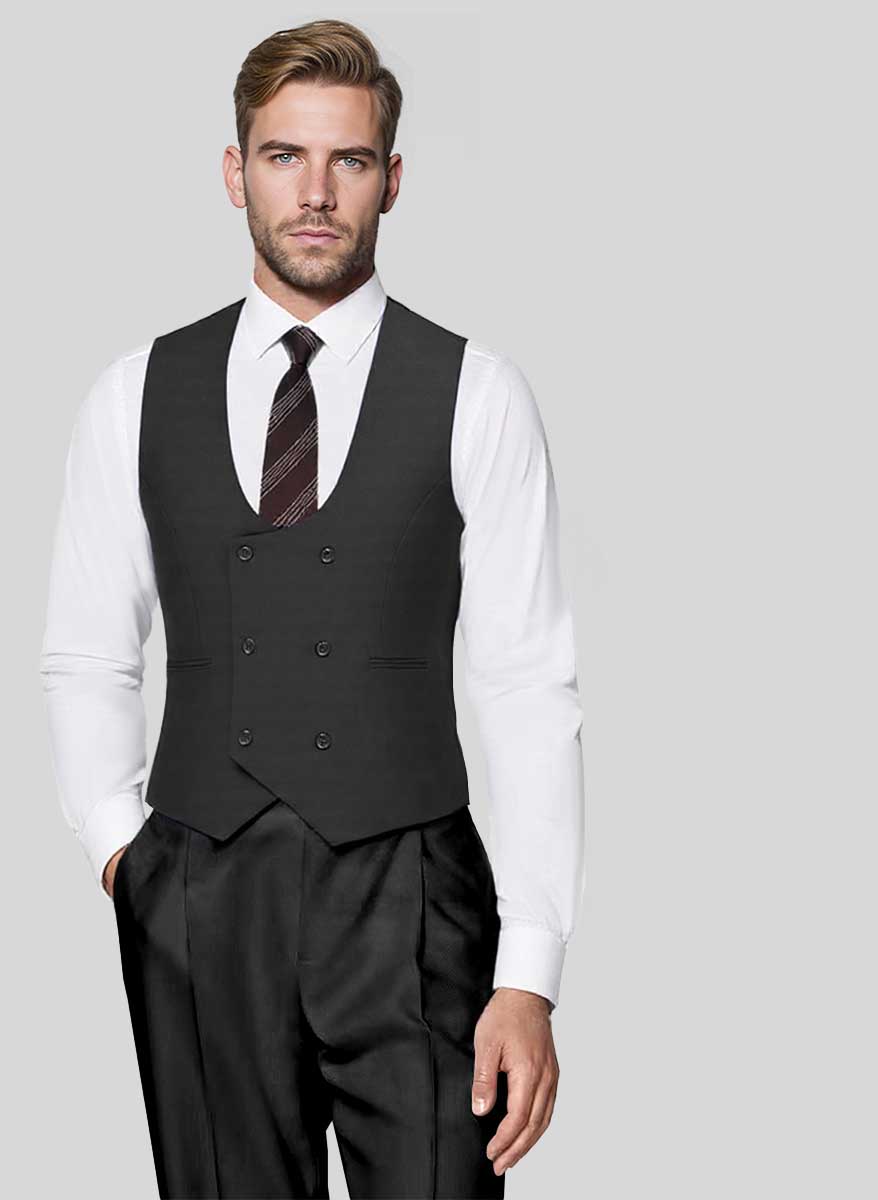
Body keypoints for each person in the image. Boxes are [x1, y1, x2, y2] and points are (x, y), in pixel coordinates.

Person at [40, 18, 585, 1198]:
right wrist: (124, 857)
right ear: (235, 172)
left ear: (394, 179)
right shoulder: (133, 393)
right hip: (200, 893)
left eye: (350, 160)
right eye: (285, 156)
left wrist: (528, 973)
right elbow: (88, 652)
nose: (317, 192)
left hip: (416, 897)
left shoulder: (478, 395)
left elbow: (526, 683)